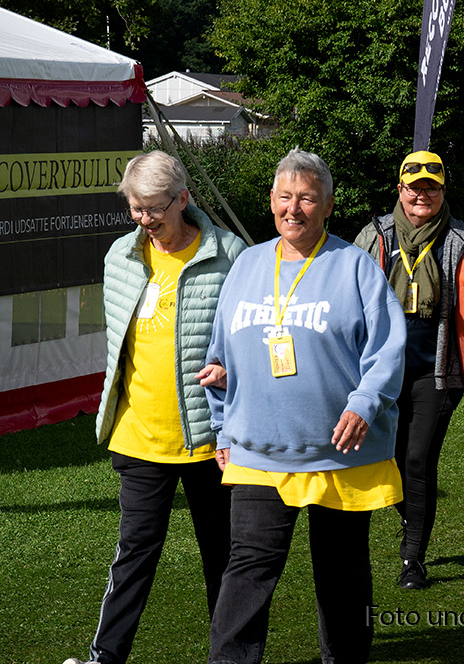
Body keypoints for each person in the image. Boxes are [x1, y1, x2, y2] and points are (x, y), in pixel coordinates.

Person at [204, 149, 406, 664]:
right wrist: (223, 427)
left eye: (307, 198)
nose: (294, 209)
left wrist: (364, 403)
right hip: (258, 450)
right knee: (247, 568)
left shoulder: (354, 266)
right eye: (286, 197)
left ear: (328, 206)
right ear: (271, 201)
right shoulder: (248, 264)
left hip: (337, 450)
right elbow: (219, 355)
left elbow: (387, 348)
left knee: (341, 574)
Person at [63, 152, 245, 664]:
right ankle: (106, 656)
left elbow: (254, 333)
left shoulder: (231, 255)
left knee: (224, 559)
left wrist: (235, 369)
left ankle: (229, 657)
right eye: (135, 209)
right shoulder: (121, 255)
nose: (144, 220)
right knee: (134, 556)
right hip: (138, 437)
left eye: (152, 209)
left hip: (212, 440)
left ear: (182, 199)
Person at [353, 151, 464, 590]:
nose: (422, 195)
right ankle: (412, 517)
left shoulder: (462, 239)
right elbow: (345, 300)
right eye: (414, 187)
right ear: (399, 190)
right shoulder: (376, 234)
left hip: (438, 371)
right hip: (381, 368)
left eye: (431, 188)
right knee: (395, 459)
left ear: (442, 191)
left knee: (419, 459)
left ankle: (412, 558)